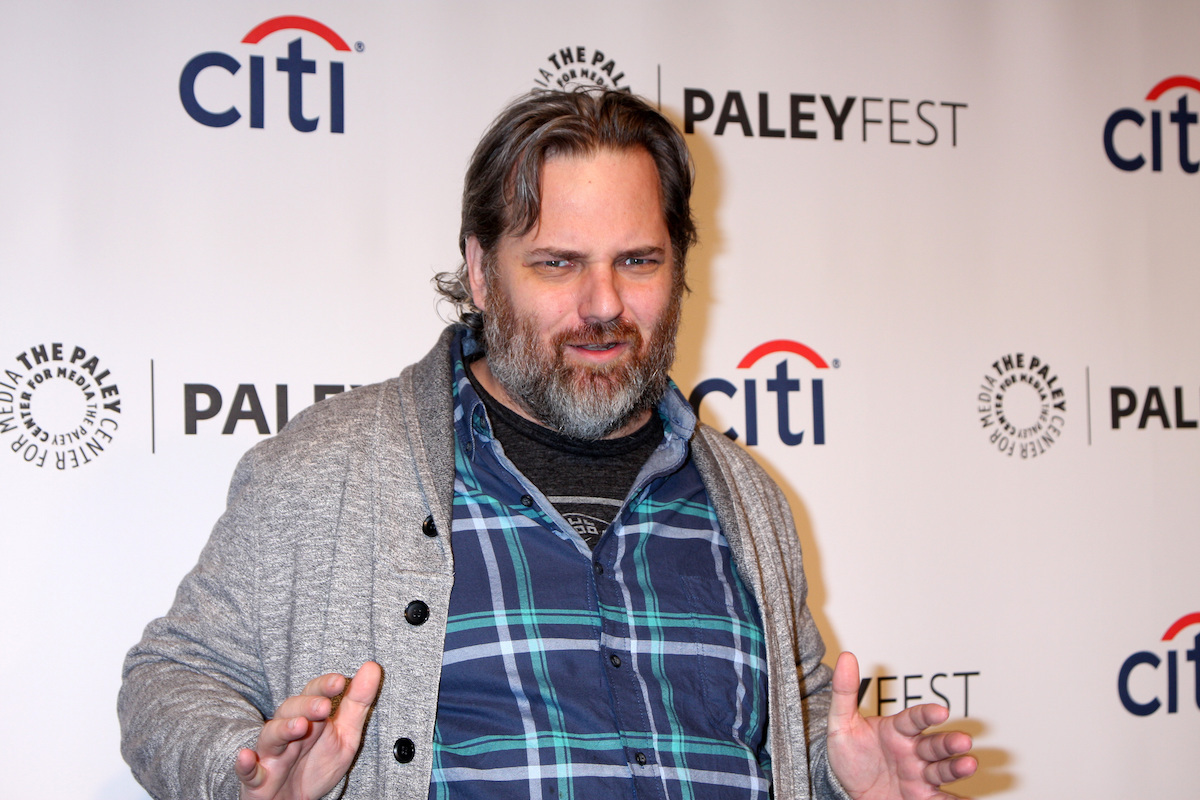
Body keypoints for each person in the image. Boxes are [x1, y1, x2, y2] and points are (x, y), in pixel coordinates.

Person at [119, 89, 976, 800]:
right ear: (483, 271)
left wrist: (841, 776)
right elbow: (168, 680)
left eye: (638, 261)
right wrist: (239, 772)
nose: (603, 304)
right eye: (558, 264)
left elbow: (787, 728)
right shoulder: (328, 468)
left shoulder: (748, 501)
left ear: (680, 264)